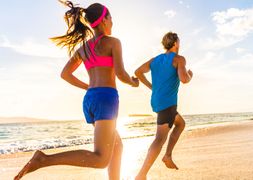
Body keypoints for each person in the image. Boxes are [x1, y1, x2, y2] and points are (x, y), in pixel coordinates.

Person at [14, 1, 139, 180]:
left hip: (91, 99)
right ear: (104, 20)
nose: (113, 22)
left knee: (116, 146)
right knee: (101, 158)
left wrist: (88, 87)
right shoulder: (113, 42)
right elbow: (120, 73)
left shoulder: (83, 49)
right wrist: (133, 82)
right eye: (111, 18)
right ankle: (44, 159)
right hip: (106, 98)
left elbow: (65, 74)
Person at [134, 32, 192, 179]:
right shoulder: (179, 59)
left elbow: (138, 72)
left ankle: (168, 156)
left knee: (180, 124)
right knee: (159, 139)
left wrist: (151, 87)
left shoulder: (155, 60)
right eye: (179, 40)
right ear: (175, 44)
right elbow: (184, 79)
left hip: (158, 102)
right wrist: (190, 75)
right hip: (168, 103)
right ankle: (141, 175)